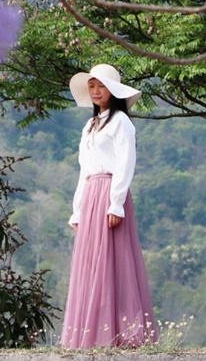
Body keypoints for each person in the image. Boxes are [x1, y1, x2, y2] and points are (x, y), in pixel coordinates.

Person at [61, 63, 158, 348]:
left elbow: (126, 163)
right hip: (91, 194)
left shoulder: (121, 123)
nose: (95, 91)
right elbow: (84, 170)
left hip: (109, 193)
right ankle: (89, 334)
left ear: (113, 90)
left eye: (100, 85)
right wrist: (77, 208)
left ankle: (120, 333)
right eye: (91, 86)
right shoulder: (90, 126)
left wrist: (116, 203)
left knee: (114, 261)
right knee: (90, 263)